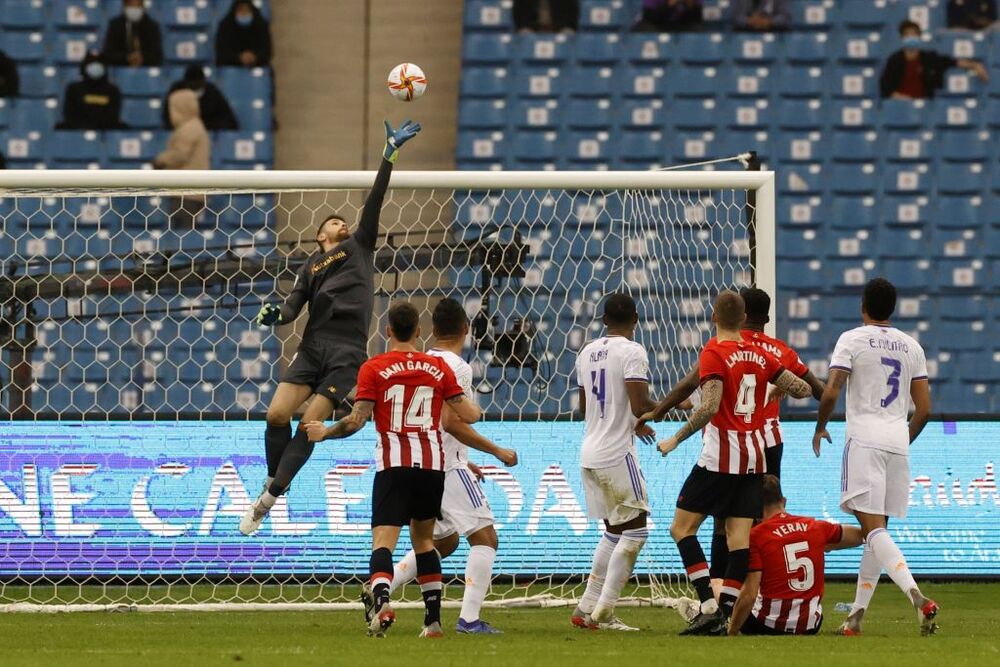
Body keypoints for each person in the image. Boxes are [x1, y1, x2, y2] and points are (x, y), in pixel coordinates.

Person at [238, 119, 422, 537]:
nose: (343, 224)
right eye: (335, 223)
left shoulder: (359, 246)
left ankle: (267, 500)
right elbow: (290, 309)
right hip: (312, 345)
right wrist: (274, 318)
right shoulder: (309, 266)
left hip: (346, 352)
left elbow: (374, 200)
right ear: (320, 234)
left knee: (309, 424)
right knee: (276, 414)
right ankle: (275, 482)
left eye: (344, 221)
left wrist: (389, 154)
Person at [303, 301, 483, 638]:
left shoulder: (374, 368)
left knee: (383, 542)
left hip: (393, 464)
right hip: (431, 465)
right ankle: (432, 623)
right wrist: (462, 399)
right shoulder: (437, 368)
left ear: (387, 331)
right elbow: (469, 414)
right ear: (418, 331)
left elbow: (356, 420)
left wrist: (324, 432)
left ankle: (383, 599)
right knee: (425, 541)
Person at [639, 287, 824, 591]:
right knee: (751, 527)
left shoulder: (717, 349)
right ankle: (748, 593)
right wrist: (784, 389)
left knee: (702, 524)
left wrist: (667, 423)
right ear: (753, 317)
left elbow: (700, 396)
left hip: (723, 450)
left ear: (717, 316)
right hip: (762, 448)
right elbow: (809, 388)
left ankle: (712, 591)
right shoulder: (772, 352)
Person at [385, 297, 518, 635]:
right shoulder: (457, 367)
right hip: (445, 467)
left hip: (420, 461)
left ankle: (382, 587)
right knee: (485, 538)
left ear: (430, 330)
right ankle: (469, 620)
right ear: (466, 329)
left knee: (442, 544)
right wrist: (495, 450)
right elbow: (450, 421)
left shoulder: (422, 360)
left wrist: (467, 460)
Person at [813, 278, 937, 636]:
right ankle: (855, 618)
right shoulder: (912, 346)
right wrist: (901, 439)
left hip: (864, 440)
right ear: (893, 308)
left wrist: (820, 427)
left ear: (863, 305)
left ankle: (917, 596)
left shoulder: (851, 339)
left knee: (873, 531)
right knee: (877, 533)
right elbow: (924, 409)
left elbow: (832, 391)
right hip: (897, 442)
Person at [569, 293, 658, 632]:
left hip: (589, 451)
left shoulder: (586, 352)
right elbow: (639, 403)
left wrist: (626, 417)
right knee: (636, 532)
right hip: (617, 453)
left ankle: (586, 607)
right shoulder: (633, 351)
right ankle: (604, 612)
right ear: (636, 319)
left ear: (604, 320)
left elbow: (584, 407)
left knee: (614, 531)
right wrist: (675, 404)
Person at [729, 475, 864, 636]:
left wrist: (732, 631)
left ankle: (705, 609)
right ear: (784, 501)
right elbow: (860, 536)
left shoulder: (755, 536)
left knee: (726, 590)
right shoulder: (815, 526)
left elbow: (749, 595)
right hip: (810, 626)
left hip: (766, 625)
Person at [880, 20, 989, 99]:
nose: (911, 37)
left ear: (919, 37)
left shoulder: (929, 58)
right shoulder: (894, 60)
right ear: (902, 38)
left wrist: (975, 65)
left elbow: (952, 62)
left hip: (926, 107)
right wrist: (904, 99)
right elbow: (886, 88)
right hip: (902, 107)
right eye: (907, 35)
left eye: (914, 34)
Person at [57, 52, 125, 130]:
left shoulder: (113, 90)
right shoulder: (74, 89)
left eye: (99, 64)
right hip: (79, 128)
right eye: (91, 64)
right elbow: (69, 114)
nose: (95, 67)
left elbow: (113, 116)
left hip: (105, 128)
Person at [162, 65, 239, 131]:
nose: (195, 87)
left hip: (208, 132)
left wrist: (206, 126)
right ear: (186, 83)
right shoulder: (176, 90)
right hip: (181, 132)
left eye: (197, 85)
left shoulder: (212, 91)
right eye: (192, 85)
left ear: (203, 82)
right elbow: (167, 117)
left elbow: (229, 120)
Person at [101, 0, 163, 67]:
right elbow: (108, 54)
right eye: (131, 6)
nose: (134, 9)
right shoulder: (115, 25)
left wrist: (142, 58)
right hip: (121, 68)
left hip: (145, 68)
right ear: (124, 6)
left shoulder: (152, 26)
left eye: (138, 6)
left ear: (143, 7)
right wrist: (127, 58)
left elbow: (157, 55)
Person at [216, 0, 273, 68]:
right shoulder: (225, 26)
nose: (244, 14)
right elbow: (222, 53)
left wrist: (254, 57)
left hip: (257, 68)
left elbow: (267, 51)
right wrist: (238, 58)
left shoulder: (261, 25)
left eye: (247, 11)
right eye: (241, 10)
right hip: (231, 69)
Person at [632, 0, 703, 32]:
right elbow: (649, 17)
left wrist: (690, 5)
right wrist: (668, 4)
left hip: (681, 26)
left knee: (697, 29)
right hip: (659, 25)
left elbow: (697, 19)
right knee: (642, 28)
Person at [513, 0, 579, 33]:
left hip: (559, 28)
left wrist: (566, 27)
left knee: (568, 33)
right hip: (532, 29)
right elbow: (518, 13)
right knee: (524, 33)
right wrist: (525, 27)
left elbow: (573, 13)